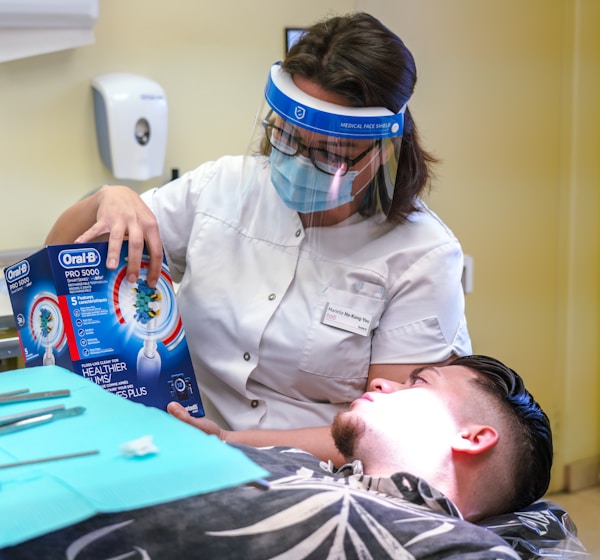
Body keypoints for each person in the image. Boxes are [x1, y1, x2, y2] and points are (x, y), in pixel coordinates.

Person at [45, 12, 471, 463]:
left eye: (329, 152)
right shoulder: (220, 188)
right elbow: (54, 260)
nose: (299, 161)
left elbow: (389, 433)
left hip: (320, 476)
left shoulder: (422, 255)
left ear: (382, 153)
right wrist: (106, 199)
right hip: (182, 451)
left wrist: (227, 444)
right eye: (286, 138)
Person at [0, 355, 556, 558]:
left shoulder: (455, 545)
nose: (383, 383)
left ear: (473, 436)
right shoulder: (313, 472)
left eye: (419, 382)